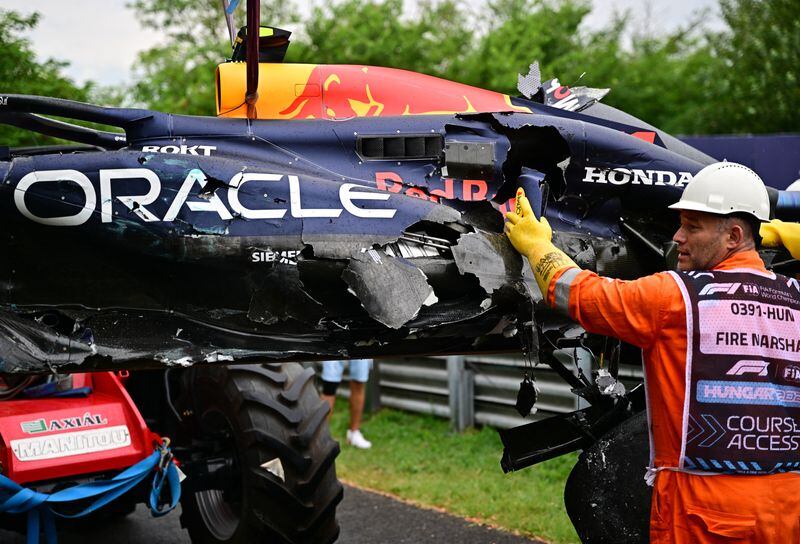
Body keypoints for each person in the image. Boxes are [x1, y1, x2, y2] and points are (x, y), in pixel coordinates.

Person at [505, 162, 800, 543]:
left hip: (705, 514)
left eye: (693, 226)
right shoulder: (794, 297)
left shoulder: (675, 296)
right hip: (788, 507)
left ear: (734, 235)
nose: (678, 236)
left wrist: (536, 245)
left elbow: (580, 294)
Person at [320, 359, 373, 449]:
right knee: (329, 386)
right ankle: (321, 437)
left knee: (359, 382)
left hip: (359, 345)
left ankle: (354, 433)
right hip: (333, 345)